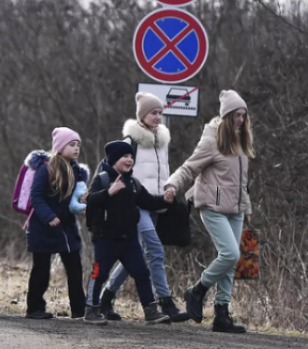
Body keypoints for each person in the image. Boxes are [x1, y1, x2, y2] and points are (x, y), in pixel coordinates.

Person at [164, 90, 254, 334]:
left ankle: (221, 315)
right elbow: (189, 167)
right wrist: (172, 185)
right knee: (231, 254)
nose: (241, 120)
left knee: (230, 260)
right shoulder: (212, 140)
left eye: (244, 115)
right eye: (237, 115)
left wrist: (246, 207)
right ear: (226, 116)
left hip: (235, 210)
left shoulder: (241, 141)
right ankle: (197, 290)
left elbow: (241, 181)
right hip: (212, 206)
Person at [102, 93, 189, 322]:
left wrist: (169, 188)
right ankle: (165, 302)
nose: (158, 117)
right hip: (136, 204)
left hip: (157, 204)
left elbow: (164, 171)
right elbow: (112, 167)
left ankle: (106, 296)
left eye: (160, 113)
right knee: (155, 252)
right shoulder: (132, 141)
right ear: (142, 115)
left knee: (137, 256)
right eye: (153, 113)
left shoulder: (162, 141)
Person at [84, 141, 170, 325]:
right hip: (105, 239)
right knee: (99, 273)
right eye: (125, 156)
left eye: (132, 156)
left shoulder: (133, 183)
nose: (130, 160)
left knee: (142, 273)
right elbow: (90, 199)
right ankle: (91, 309)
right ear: (114, 159)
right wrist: (109, 192)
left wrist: (166, 200)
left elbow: (149, 202)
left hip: (129, 240)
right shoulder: (103, 178)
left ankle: (151, 311)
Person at [24, 127, 89, 320]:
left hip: (67, 228)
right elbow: (36, 196)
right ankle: (34, 308)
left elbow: (74, 199)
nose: (76, 148)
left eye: (78, 145)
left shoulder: (78, 171)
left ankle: (80, 309)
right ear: (60, 147)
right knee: (41, 269)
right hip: (43, 227)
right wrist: (48, 216)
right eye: (71, 144)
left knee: (75, 268)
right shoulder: (47, 168)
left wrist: (82, 203)